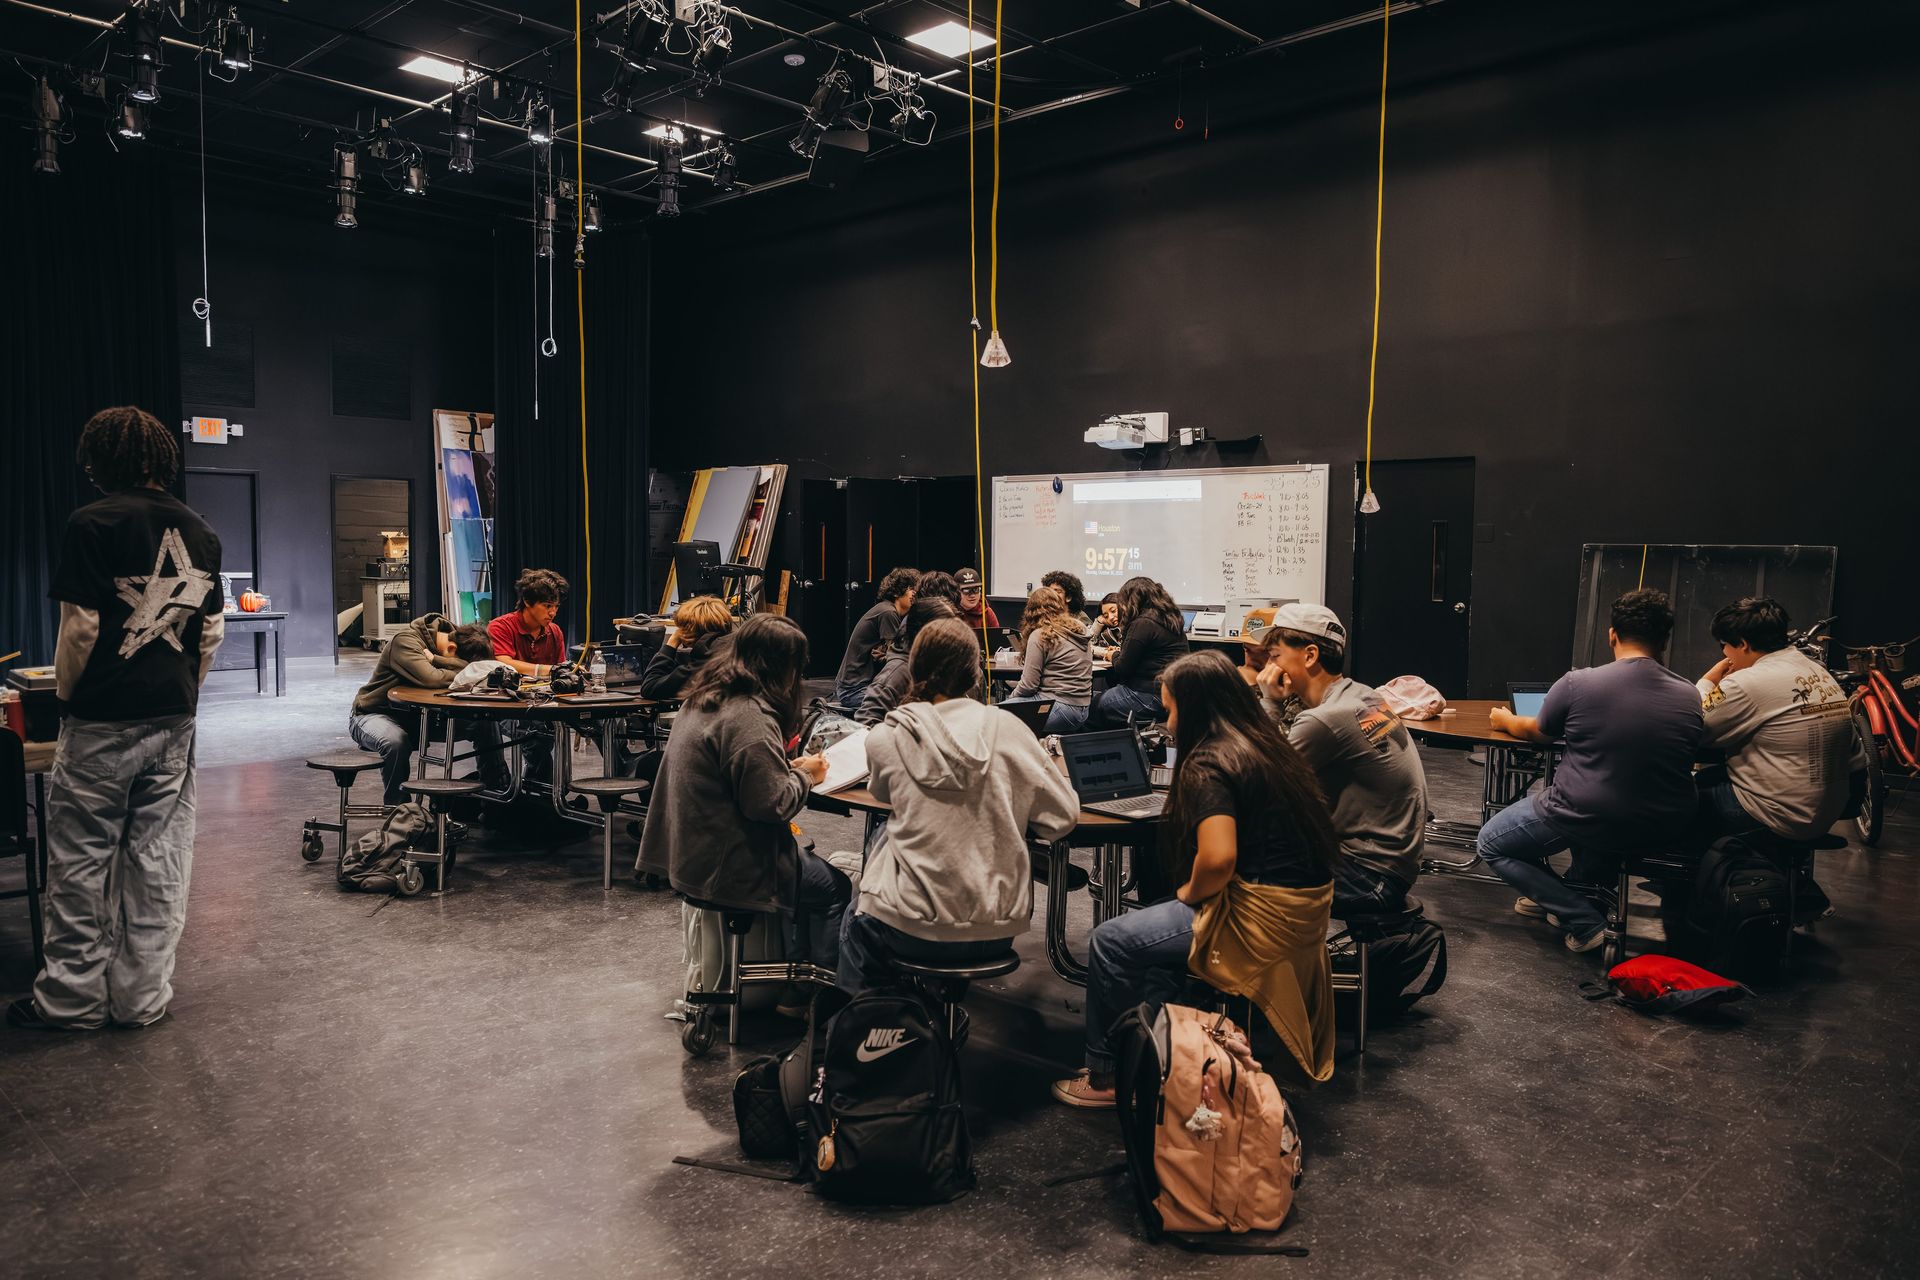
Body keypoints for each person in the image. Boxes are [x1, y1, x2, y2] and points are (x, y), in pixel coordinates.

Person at [10, 407, 224, 1031]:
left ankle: (71, 1003)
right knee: (160, 861)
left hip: (101, 721)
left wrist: (68, 704)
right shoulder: (202, 532)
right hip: (173, 723)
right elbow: (208, 635)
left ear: (102, 460)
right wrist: (183, 696)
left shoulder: (91, 523)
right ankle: (142, 1000)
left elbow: (82, 628)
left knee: (80, 861)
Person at [1052, 650, 1340, 1106]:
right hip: (1305, 910)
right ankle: (1164, 1051)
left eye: (1170, 709)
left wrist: (1189, 893)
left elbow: (1219, 859)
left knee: (1110, 941)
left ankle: (1106, 1078)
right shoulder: (1262, 742)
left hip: (1258, 915)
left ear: (1195, 706)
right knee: (1154, 926)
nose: (1167, 724)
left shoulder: (1210, 762)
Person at [836, 619, 1079, 993]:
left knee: (862, 906)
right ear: (973, 673)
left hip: (908, 924)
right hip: (995, 927)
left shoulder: (888, 735)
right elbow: (1062, 818)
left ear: (914, 669)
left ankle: (866, 1028)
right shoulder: (1009, 728)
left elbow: (883, 797)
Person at [1479, 589, 1703, 952]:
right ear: (1665, 640)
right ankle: (1569, 893)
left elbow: (1538, 732)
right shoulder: (1689, 693)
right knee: (1609, 810)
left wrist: (1505, 720)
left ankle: (1584, 921)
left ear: (1611, 634)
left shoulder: (1577, 683)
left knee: (1491, 843)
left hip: (1589, 813)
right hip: (1667, 822)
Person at [637, 614, 851, 988]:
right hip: (730, 866)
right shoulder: (749, 715)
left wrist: (782, 766)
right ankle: (813, 996)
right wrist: (806, 775)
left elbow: (736, 774)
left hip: (686, 855)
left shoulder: (706, 696)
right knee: (834, 888)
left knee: (810, 866)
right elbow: (771, 806)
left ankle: (791, 982)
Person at [1258, 604, 1429, 916]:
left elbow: (1258, 781)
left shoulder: (1325, 719)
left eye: (1274, 656)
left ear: (1309, 656)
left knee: (1238, 861)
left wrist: (1270, 702)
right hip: (1392, 866)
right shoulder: (1363, 696)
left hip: (1368, 877)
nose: (1267, 668)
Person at [1694, 597, 1855, 845]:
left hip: (1778, 815)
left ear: (1743, 644)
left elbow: (1698, 726)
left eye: (1724, 645)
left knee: (1677, 799)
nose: (1724, 653)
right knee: (1708, 779)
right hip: (1826, 810)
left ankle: (1688, 881)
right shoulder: (1816, 669)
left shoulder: (1744, 681)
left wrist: (1707, 680)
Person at [349, 613, 497, 802]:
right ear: (452, 648)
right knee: (395, 742)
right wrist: (464, 670)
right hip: (374, 714)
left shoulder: (461, 641)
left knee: (484, 724)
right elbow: (431, 678)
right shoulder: (406, 641)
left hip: (419, 719)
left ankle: (494, 799)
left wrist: (436, 659)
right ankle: (400, 813)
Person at [1089, 576, 1189, 728]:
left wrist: (1112, 655)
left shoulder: (1142, 623)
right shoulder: (1170, 619)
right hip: (1172, 695)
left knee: (1092, 707)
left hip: (1150, 695)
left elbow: (1123, 668)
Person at [855, 596, 958, 728]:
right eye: (946, 631)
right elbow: (866, 725)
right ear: (923, 633)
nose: (954, 637)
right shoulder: (896, 675)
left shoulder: (940, 666)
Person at [1007, 586, 1095, 735]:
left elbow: (1029, 686)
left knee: (997, 715)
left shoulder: (1039, 635)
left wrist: (1012, 699)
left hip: (1058, 708)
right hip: (1083, 710)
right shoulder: (1079, 628)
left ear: (1030, 611)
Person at [832, 567, 918, 711]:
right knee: (906, 706)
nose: (914, 594)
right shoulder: (888, 612)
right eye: (910, 589)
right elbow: (897, 656)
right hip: (853, 690)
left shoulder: (887, 610)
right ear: (897, 591)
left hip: (855, 686)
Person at [639, 594, 734, 702]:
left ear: (688, 631)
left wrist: (672, 643)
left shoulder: (705, 664)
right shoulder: (736, 648)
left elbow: (650, 687)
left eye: (680, 628)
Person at [487, 568, 569, 678]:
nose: (553, 613)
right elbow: (503, 663)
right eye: (547, 605)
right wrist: (552, 670)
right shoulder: (500, 627)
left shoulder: (555, 631)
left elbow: (561, 667)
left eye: (556, 606)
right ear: (527, 601)